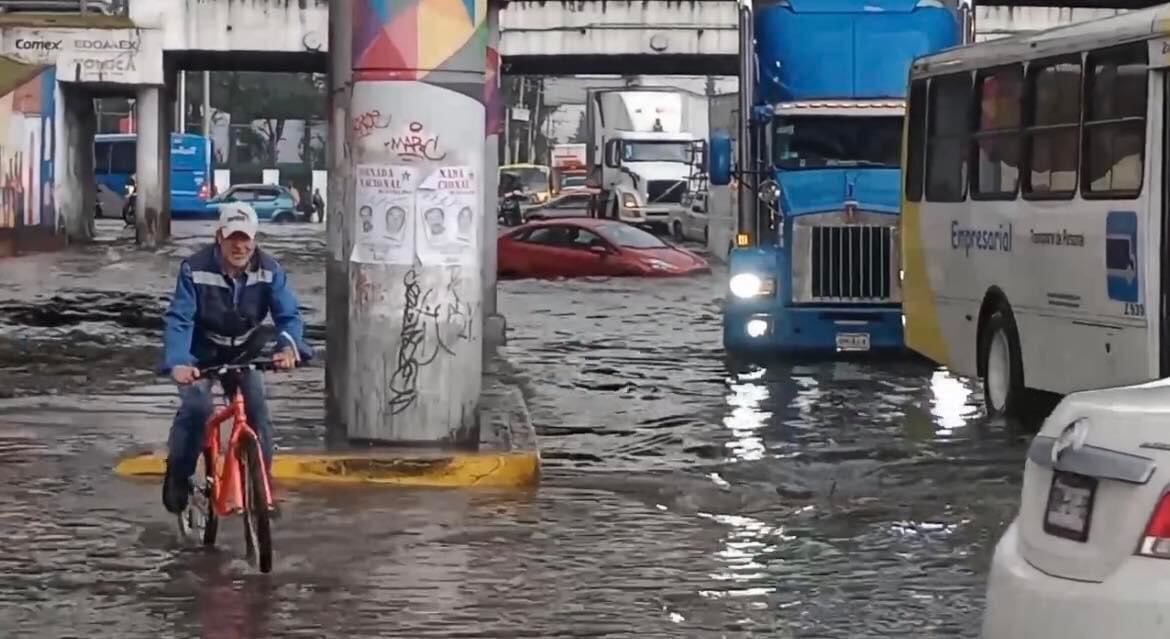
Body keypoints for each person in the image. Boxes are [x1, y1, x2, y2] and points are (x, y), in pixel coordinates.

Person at [158, 202, 313, 514]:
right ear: (219, 237)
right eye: (232, 238)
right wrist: (178, 362)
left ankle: (260, 485)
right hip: (200, 354)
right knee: (197, 407)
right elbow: (180, 320)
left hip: (244, 351)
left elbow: (289, 316)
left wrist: (288, 348)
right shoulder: (194, 268)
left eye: (246, 239)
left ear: (255, 240)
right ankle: (179, 474)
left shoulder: (270, 271)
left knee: (257, 413)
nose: (239, 246)